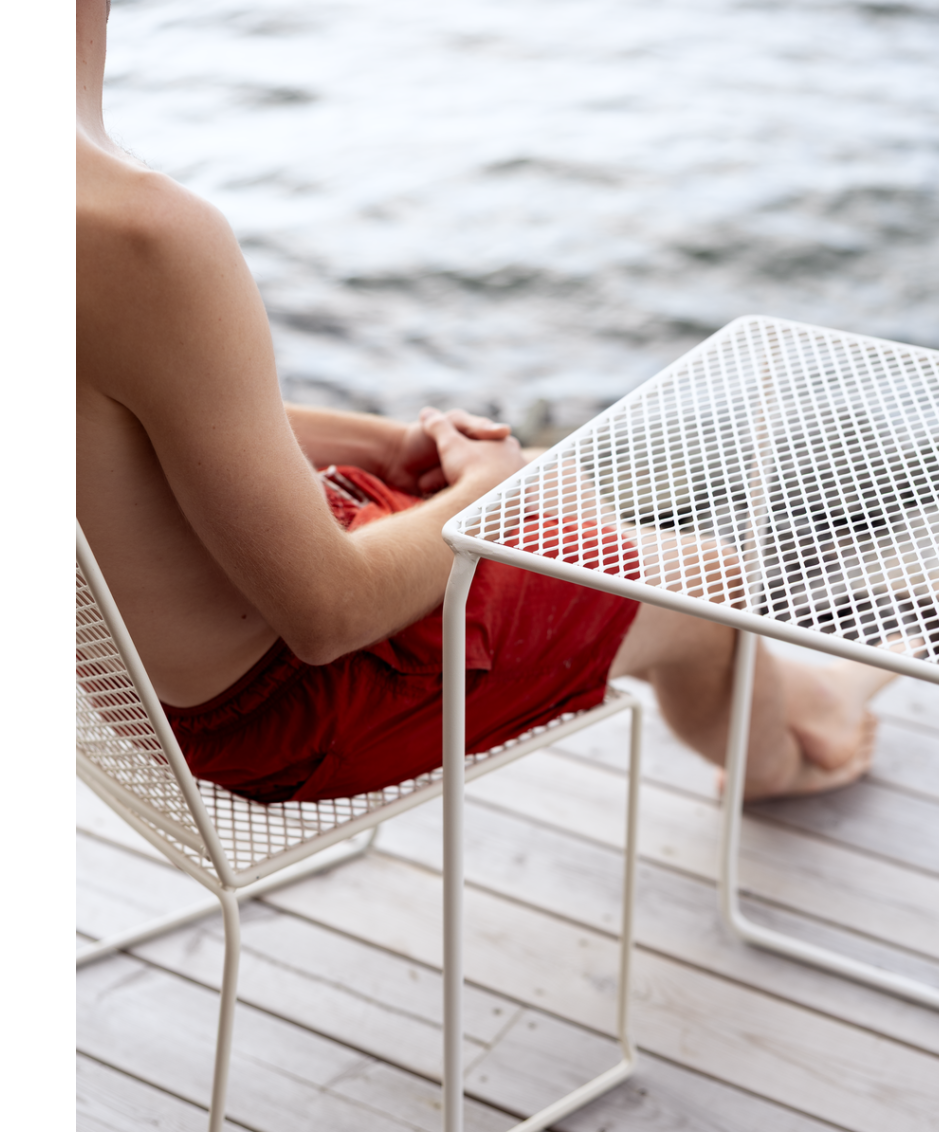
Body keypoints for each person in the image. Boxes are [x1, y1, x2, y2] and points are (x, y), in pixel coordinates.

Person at [77, 0, 893, 806]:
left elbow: (136, 415)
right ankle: (791, 749)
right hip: (288, 707)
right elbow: (329, 616)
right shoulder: (145, 232)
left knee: (554, 482)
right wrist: (487, 494)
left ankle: (799, 693)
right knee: (708, 585)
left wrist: (387, 447)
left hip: (130, 690)